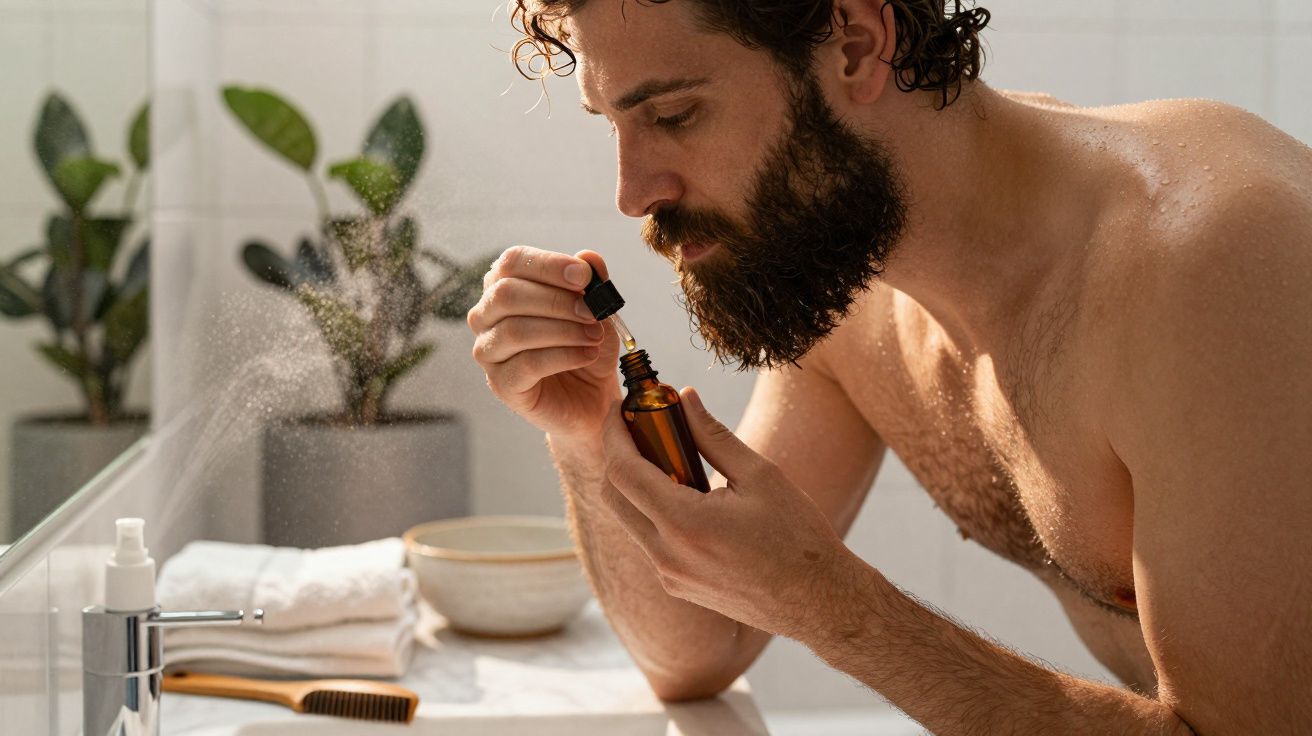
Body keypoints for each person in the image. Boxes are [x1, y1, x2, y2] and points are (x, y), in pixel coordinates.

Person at [466, 0, 1312, 732]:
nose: (632, 192)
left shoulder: (1215, 258)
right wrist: (585, 433)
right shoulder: (850, 282)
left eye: (675, 115)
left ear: (857, 45)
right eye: (613, 124)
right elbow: (693, 648)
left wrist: (833, 607)